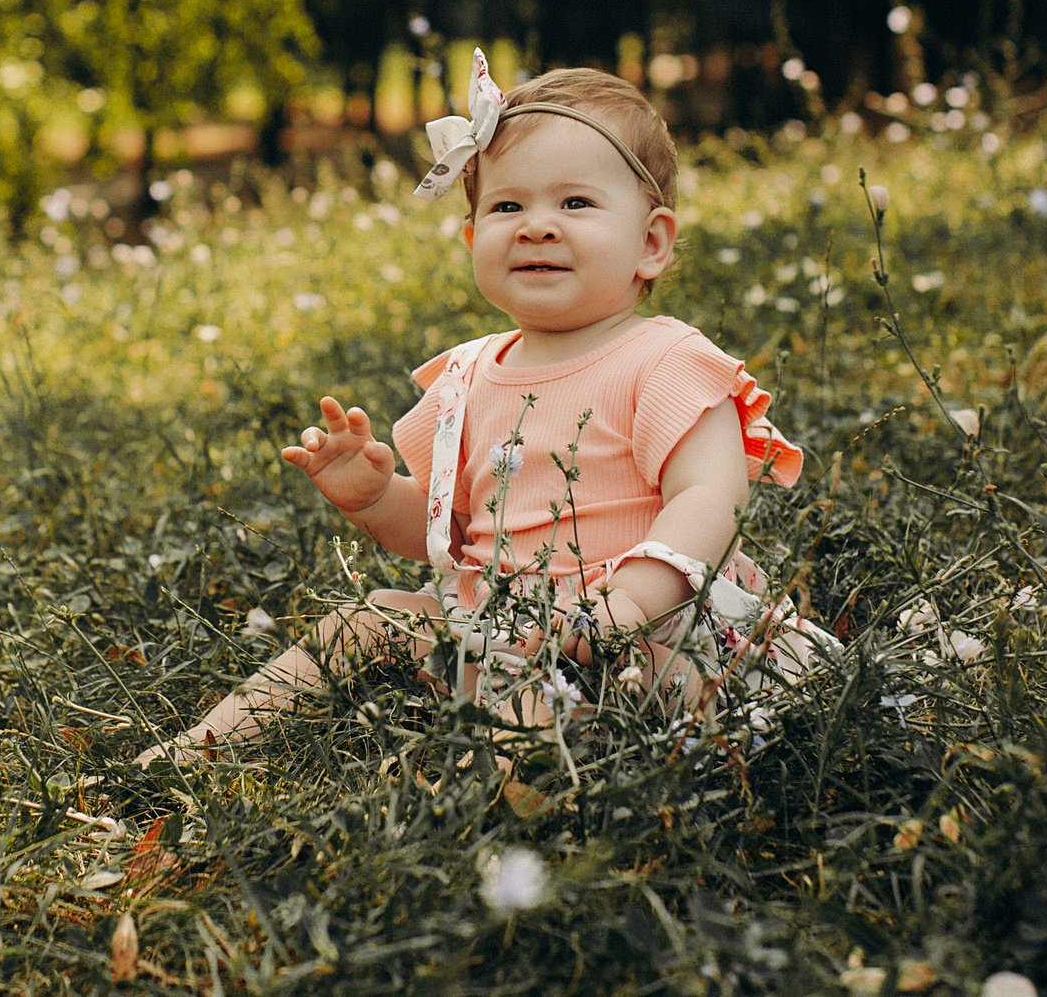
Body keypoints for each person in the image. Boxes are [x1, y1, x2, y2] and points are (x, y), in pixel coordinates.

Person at [140, 57, 827, 765]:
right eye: (507, 207)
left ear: (651, 242)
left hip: (648, 634)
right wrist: (377, 499)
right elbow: (453, 532)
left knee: (534, 702)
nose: (536, 227)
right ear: (472, 238)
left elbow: (711, 498)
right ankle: (194, 752)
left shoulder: (666, 360)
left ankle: (495, 812)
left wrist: (619, 605)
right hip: (497, 624)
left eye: (575, 204)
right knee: (362, 619)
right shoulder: (468, 375)